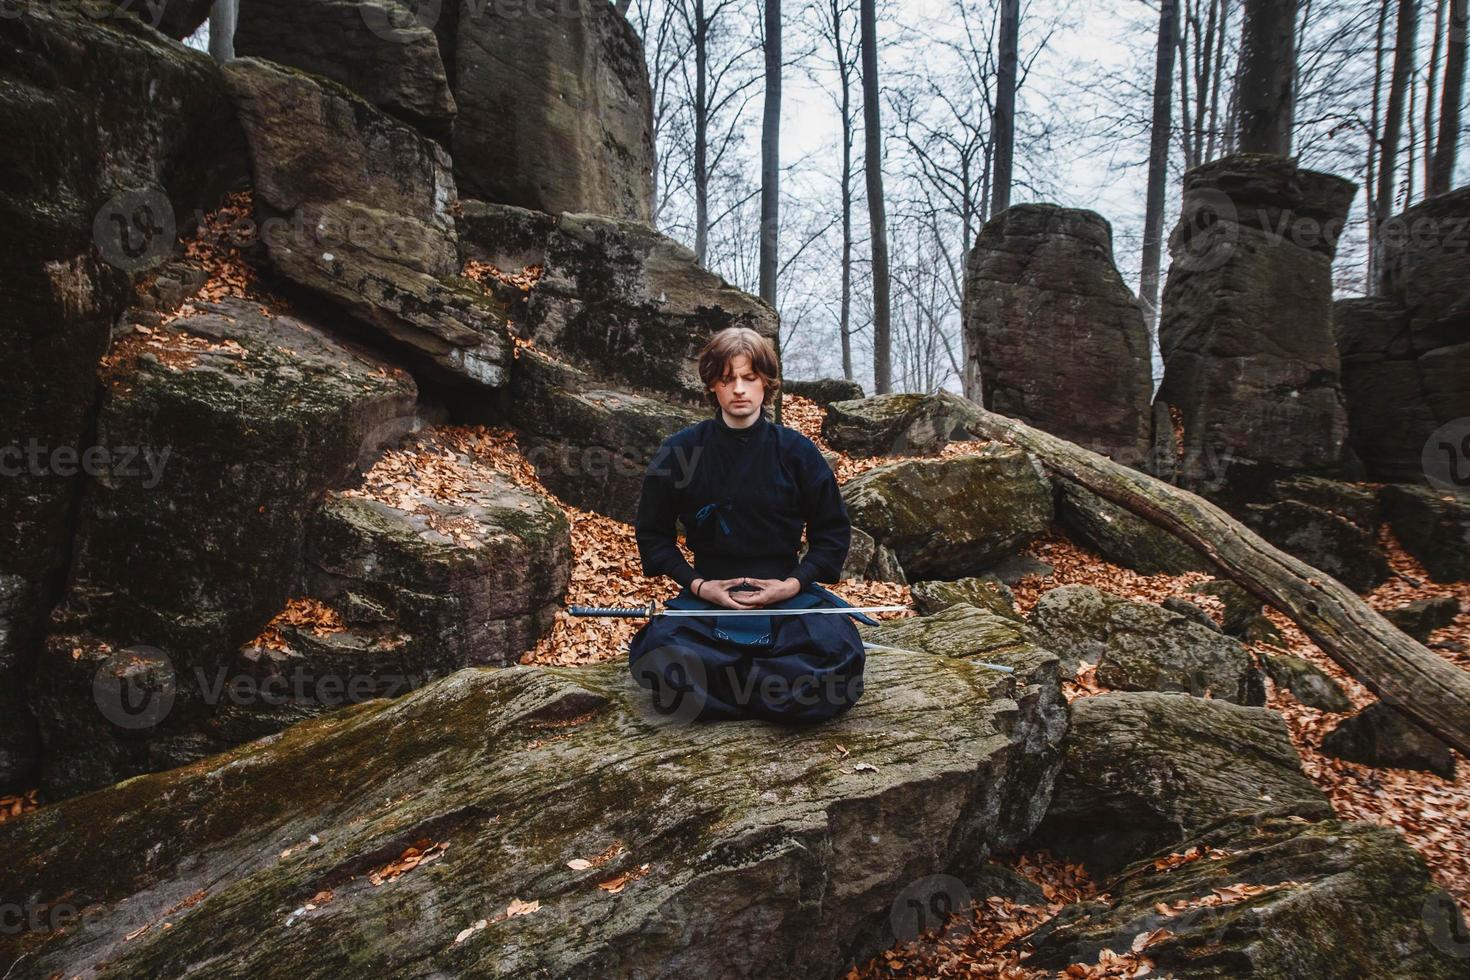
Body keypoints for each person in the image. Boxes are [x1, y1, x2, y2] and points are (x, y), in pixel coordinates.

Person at [627, 326, 873, 723]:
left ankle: (724, 687)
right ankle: (774, 690)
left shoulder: (796, 452)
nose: (739, 389)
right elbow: (654, 536)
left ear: (766, 384)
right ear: (712, 386)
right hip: (708, 600)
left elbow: (831, 534)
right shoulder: (680, 451)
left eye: (749, 378)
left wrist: (791, 584)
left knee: (838, 656)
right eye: (728, 379)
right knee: (658, 656)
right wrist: (699, 585)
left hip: (787, 596)